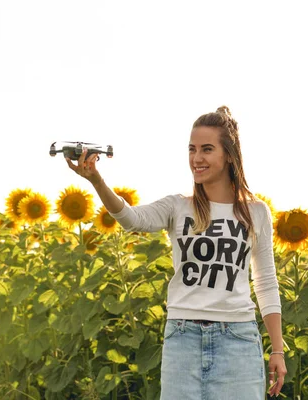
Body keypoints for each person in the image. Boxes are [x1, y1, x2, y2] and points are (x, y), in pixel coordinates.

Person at [66, 106, 287, 399]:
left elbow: (266, 283)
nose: (197, 158)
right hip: (183, 339)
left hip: (238, 340)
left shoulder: (255, 212)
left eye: (207, 149)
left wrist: (278, 349)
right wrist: (97, 181)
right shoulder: (177, 206)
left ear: (229, 155)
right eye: (192, 149)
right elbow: (132, 218)